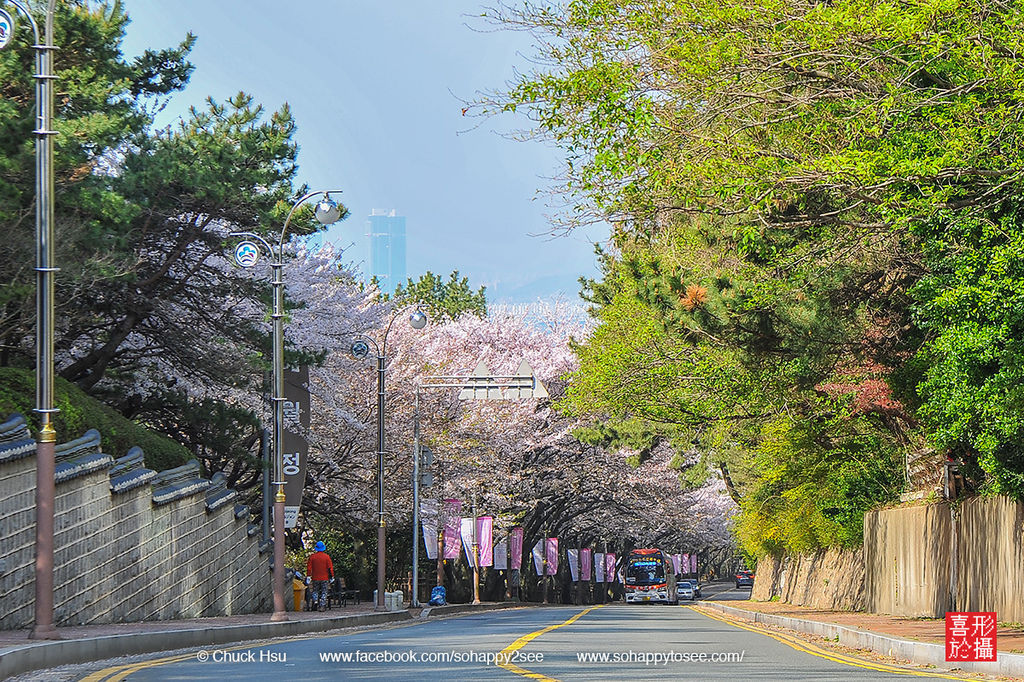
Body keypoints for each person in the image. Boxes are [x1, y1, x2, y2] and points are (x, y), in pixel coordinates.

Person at [306, 541, 334, 611]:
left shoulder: (312, 557)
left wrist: (308, 576)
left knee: (315, 590)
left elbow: (309, 568)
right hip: (325, 577)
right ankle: (322, 605)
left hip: (315, 577)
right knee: (324, 591)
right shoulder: (327, 557)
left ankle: (315, 601)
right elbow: (330, 568)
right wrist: (332, 576)